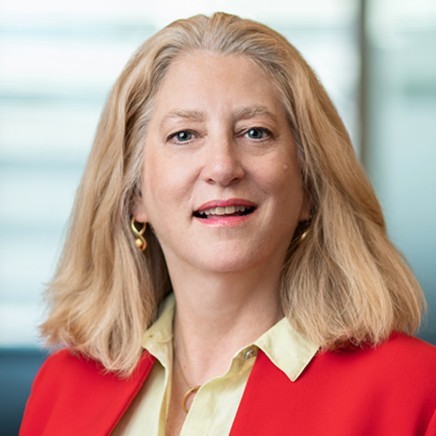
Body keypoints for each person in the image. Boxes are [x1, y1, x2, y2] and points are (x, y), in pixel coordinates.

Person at [20, 12, 435, 436]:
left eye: (255, 132)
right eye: (184, 135)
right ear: (135, 195)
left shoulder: (416, 389)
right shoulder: (62, 386)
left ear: (309, 187)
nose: (222, 166)